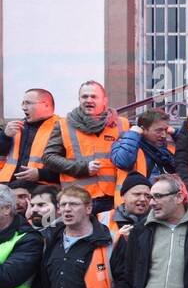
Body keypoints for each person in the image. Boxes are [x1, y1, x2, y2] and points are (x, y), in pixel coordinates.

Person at [43, 80, 130, 214]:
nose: (89, 100)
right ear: (79, 99)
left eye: (94, 96)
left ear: (104, 100)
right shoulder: (64, 124)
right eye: (84, 96)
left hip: (113, 198)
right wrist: (83, 168)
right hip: (77, 199)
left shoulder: (122, 124)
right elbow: (49, 158)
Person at [0, 87, 60, 185]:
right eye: (23, 103)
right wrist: (5, 136)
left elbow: (70, 166)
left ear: (46, 105)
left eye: (28, 103)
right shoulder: (15, 126)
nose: (23, 107)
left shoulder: (62, 128)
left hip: (43, 189)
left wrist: (41, 174)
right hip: (7, 185)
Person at [111, 108, 177, 185]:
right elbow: (124, 162)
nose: (164, 135)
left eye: (165, 130)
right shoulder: (125, 144)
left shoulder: (168, 149)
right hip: (138, 195)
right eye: (159, 131)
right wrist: (133, 134)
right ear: (143, 130)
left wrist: (176, 134)